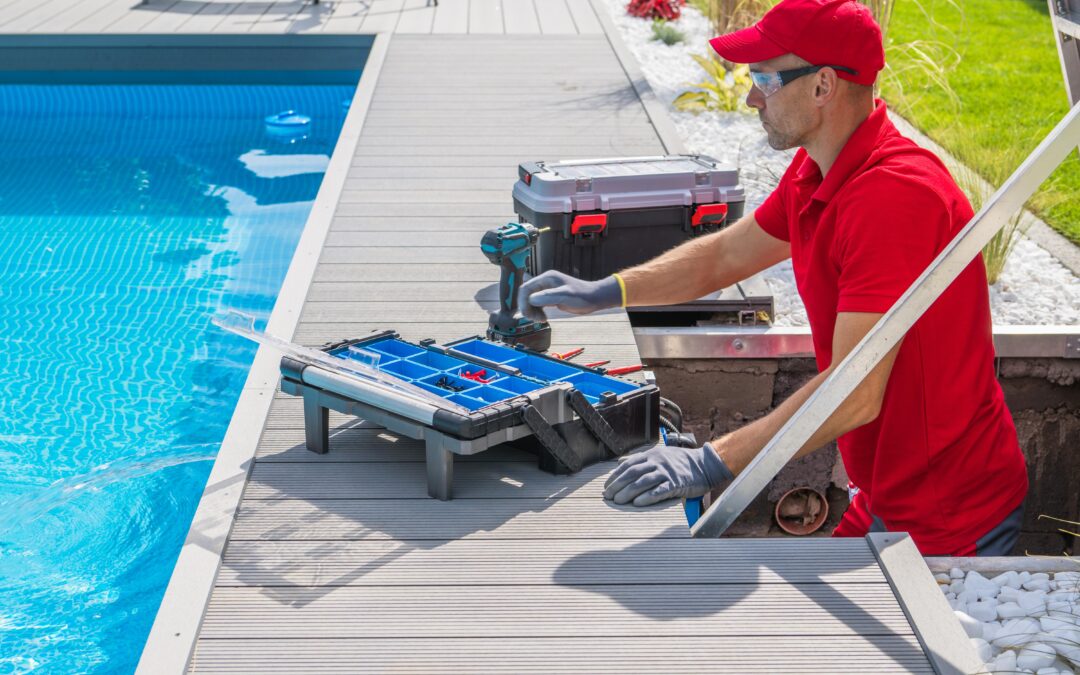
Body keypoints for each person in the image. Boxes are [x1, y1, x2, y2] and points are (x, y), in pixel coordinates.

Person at [517, 0, 1028, 556]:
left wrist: (711, 462)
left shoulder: (893, 198)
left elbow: (855, 393)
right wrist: (607, 292)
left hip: (950, 517)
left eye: (764, 77)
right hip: (884, 494)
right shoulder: (821, 168)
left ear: (823, 86)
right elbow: (722, 258)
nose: (751, 97)